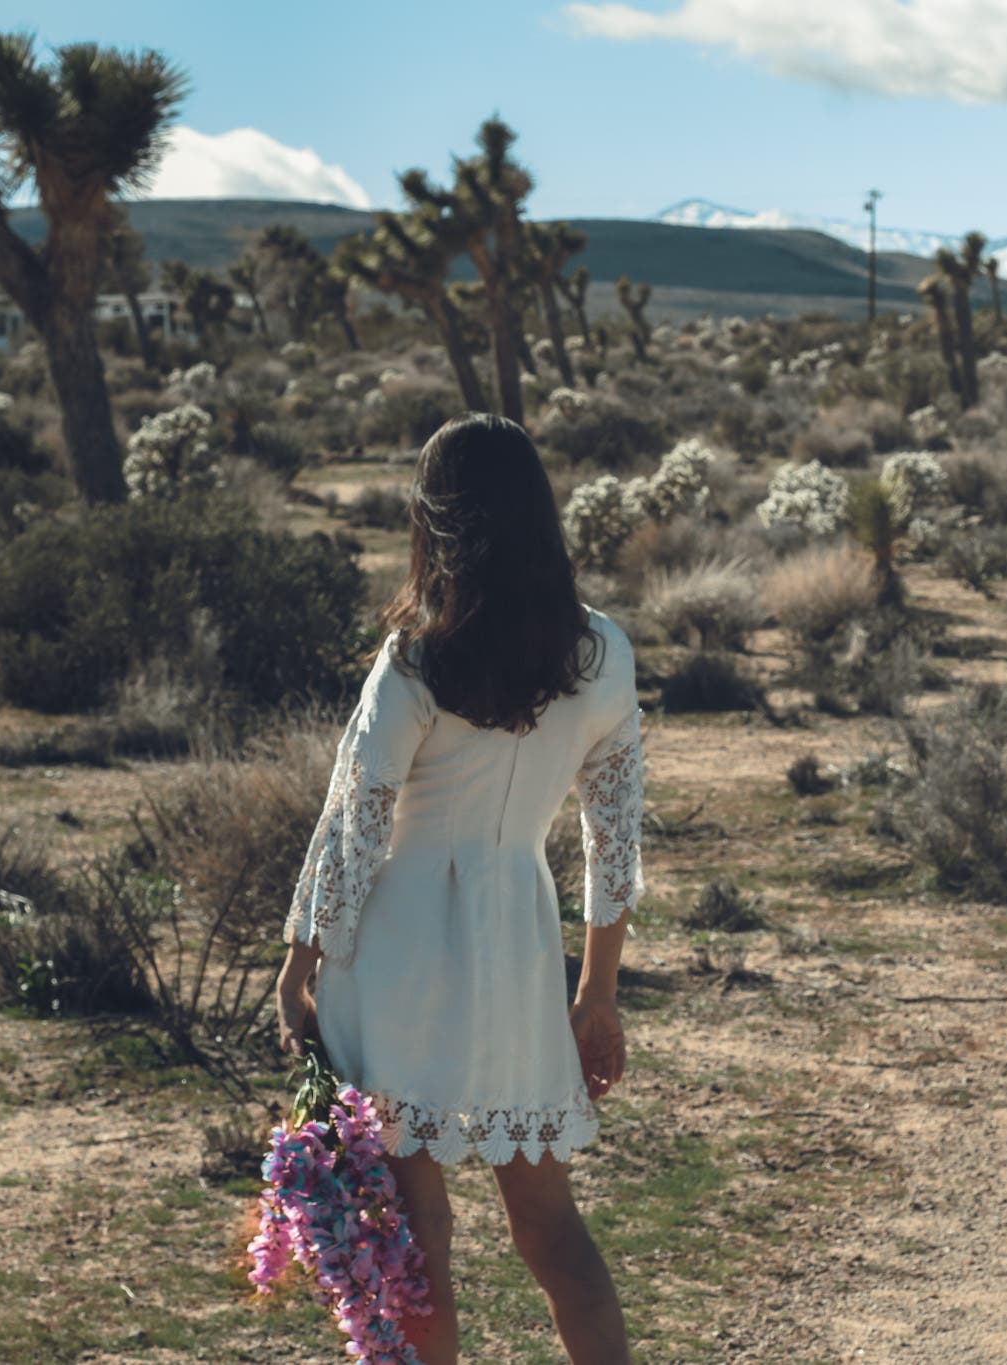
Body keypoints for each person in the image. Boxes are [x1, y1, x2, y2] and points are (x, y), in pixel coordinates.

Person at [276, 412, 643, 1365]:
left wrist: (300, 963)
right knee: (549, 1225)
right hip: (518, 944)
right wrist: (596, 990)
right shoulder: (599, 654)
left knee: (415, 1231)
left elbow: (356, 822)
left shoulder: (417, 656)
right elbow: (615, 834)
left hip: (397, 953)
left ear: (436, 520)